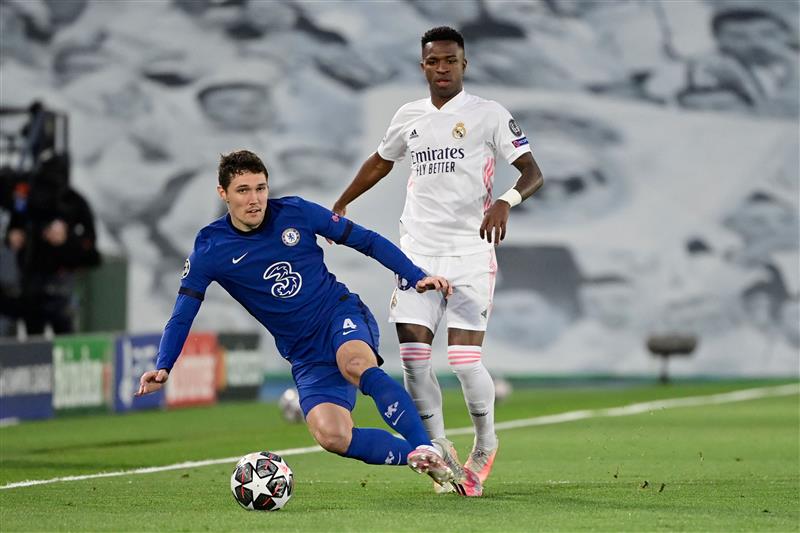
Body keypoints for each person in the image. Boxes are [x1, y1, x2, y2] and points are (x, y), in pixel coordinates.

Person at [136, 149, 482, 496]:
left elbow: (366, 240)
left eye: (261, 188)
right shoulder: (211, 248)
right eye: (243, 190)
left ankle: (425, 445)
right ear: (223, 193)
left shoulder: (296, 212)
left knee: (355, 364)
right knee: (332, 435)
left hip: (339, 314)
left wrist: (415, 275)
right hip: (303, 352)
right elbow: (184, 310)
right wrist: (164, 365)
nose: (255, 199)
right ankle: (433, 456)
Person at [332, 26, 544, 491]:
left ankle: (485, 444)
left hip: (470, 251)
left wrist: (507, 200)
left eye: (450, 60)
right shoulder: (409, 116)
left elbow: (532, 171)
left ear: (464, 64)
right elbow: (382, 160)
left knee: (465, 362)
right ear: (423, 66)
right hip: (417, 255)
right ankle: (439, 448)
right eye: (434, 61)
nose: (442, 68)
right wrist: (342, 201)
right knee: (413, 358)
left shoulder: (488, 115)